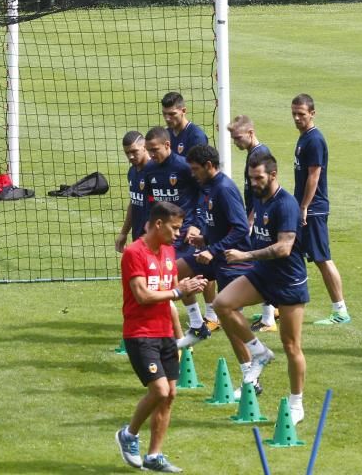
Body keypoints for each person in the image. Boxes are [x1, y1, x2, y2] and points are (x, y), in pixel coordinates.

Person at [216, 152, 309, 425]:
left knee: (291, 345)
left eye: (258, 178)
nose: (253, 182)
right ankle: (259, 352)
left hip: (289, 281)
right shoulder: (258, 197)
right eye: (250, 178)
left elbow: (284, 248)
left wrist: (245, 256)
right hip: (263, 275)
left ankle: (296, 404)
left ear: (273, 174)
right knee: (223, 304)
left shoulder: (286, 205)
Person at [115, 201, 207, 473]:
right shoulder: (134, 253)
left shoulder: (168, 251)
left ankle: (154, 455)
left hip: (164, 333)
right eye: (174, 228)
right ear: (158, 224)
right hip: (140, 334)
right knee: (160, 390)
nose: (178, 234)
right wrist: (178, 291)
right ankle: (129, 434)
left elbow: (171, 295)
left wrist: (189, 326)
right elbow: (143, 296)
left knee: (170, 395)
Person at [178, 145, 259, 391]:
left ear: (209, 166)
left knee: (230, 319)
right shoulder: (208, 187)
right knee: (175, 271)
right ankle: (197, 325)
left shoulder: (224, 189)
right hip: (214, 253)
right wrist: (204, 240)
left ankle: (251, 378)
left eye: (195, 169)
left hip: (233, 261)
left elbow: (241, 228)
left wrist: (212, 249)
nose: (193, 174)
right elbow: (219, 225)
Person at [142, 127, 214, 345]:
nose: (152, 154)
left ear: (167, 145)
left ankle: (206, 317)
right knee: (174, 277)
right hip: (164, 234)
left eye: (155, 149)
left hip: (186, 233)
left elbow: (204, 195)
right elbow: (151, 200)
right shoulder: (150, 169)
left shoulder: (183, 167)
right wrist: (150, 223)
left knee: (177, 276)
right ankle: (197, 323)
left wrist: (197, 226)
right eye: (149, 150)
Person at [291, 94, 350, 325]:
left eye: (301, 114)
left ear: (312, 114)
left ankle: (341, 311)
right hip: (304, 207)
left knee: (322, 258)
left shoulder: (314, 140)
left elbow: (314, 176)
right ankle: (276, 306)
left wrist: (304, 206)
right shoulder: (304, 138)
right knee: (290, 254)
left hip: (312, 209)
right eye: (294, 113)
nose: (296, 118)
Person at [228, 115, 277, 333]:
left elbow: (263, 191)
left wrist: (251, 219)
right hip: (259, 214)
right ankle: (273, 309)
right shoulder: (255, 152)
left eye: (237, 137)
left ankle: (268, 320)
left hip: (260, 216)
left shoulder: (259, 155)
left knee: (262, 264)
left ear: (250, 133)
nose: (235, 142)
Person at [115, 130, 151, 252]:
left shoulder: (155, 172)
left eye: (134, 151)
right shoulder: (132, 172)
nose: (130, 156)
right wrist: (124, 233)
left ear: (145, 147)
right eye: (127, 153)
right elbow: (134, 202)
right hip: (138, 238)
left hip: (154, 239)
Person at [161, 92, 208, 158]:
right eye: (164, 114)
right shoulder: (165, 134)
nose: (167, 118)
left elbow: (197, 166)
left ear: (183, 111)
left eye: (172, 114)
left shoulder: (197, 137)